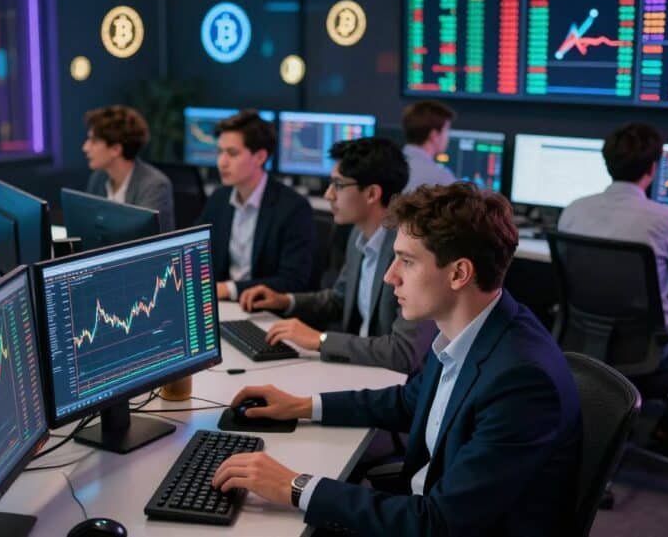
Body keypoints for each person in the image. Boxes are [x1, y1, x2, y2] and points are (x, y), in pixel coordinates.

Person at [212, 183, 581, 536]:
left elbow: (437, 524)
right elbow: (409, 401)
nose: (391, 277)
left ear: (459, 273)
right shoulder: (466, 328)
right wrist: (302, 406)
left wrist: (294, 486)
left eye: (406, 261)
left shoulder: (520, 381)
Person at [558, 122, 668, 452]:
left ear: (607, 161)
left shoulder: (574, 209)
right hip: (647, 353)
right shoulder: (664, 219)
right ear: (654, 168)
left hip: (584, 341)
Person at [237, 136, 424, 374]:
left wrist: (321, 340)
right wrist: (284, 300)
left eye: (338, 185)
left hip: (392, 382)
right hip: (360, 370)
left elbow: (403, 352)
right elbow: (340, 299)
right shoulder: (359, 235)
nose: (328, 195)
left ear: (371, 194)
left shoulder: (408, 253)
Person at [0, 105, 175, 232]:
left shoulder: (154, 185)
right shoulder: (99, 179)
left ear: (115, 148)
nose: (85, 147)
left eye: (93, 141)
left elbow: (147, 242)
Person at [196, 109, 314, 300]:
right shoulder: (219, 199)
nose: (221, 162)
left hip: (268, 312)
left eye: (232, 154)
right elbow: (197, 256)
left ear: (260, 157)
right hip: (221, 305)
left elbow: (293, 280)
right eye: (220, 152)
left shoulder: (293, 208)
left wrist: (230, 289)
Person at [401, 100, 457, 192]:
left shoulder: (390, 165)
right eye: (446, 130)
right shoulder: (441, 178)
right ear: (434, 135)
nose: (447, 137)